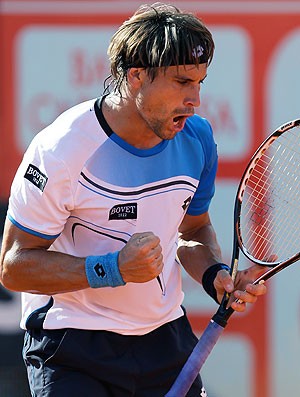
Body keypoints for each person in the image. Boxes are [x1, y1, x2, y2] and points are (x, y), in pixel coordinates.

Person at [0, 3, 267, 396]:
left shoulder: (197, 139)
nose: (194, 99)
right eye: (181, 82)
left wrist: (214, 275)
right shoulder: (60, 150)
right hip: (72, 344)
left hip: (164, 341)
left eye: (199, 82)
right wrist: (112, 269)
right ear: (137, 76)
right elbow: (14, 266)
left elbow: (192, 229)